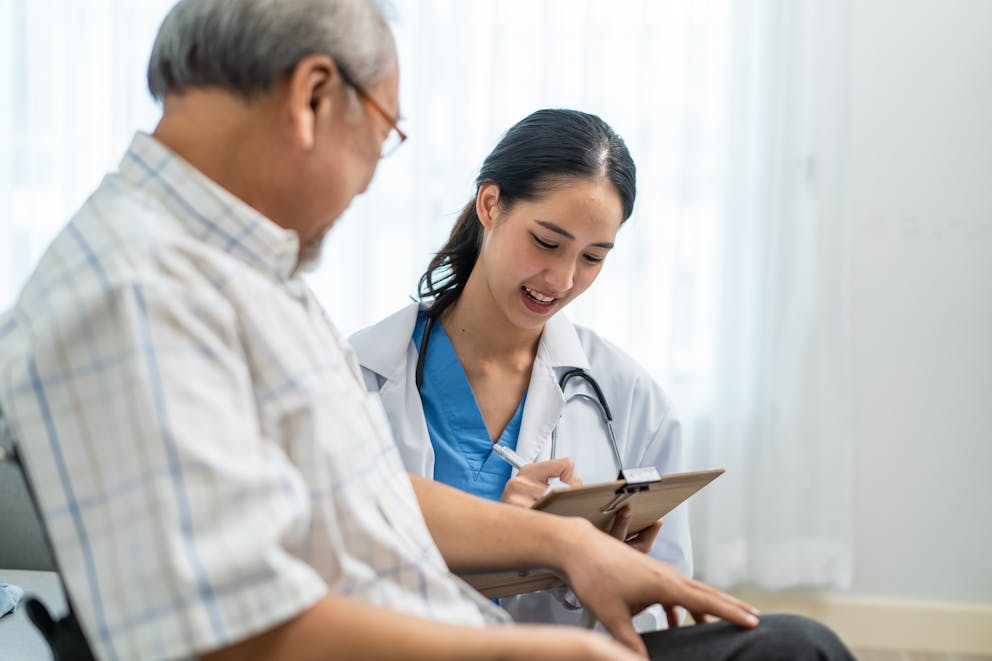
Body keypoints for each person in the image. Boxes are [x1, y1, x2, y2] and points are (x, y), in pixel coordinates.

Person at [0, 1, 854, 659]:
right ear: (314, 97)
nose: (374, 178)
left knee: (789, 643)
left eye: (593, 256)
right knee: (796, 651)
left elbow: (359, 492)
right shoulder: (138, 293)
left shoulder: (235, 268)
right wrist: (527, 649)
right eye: (384, 135)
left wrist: (561, 540)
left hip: (450, 624)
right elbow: (231, 633)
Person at [350, 108, 689, 631]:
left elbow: (661, 617)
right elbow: (327, 578)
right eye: (547, 242)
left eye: (594, 257)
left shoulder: (632, 399)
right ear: (491, 204)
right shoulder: (357, 379)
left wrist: (613, 572)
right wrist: (510, 538)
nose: (563, 278)